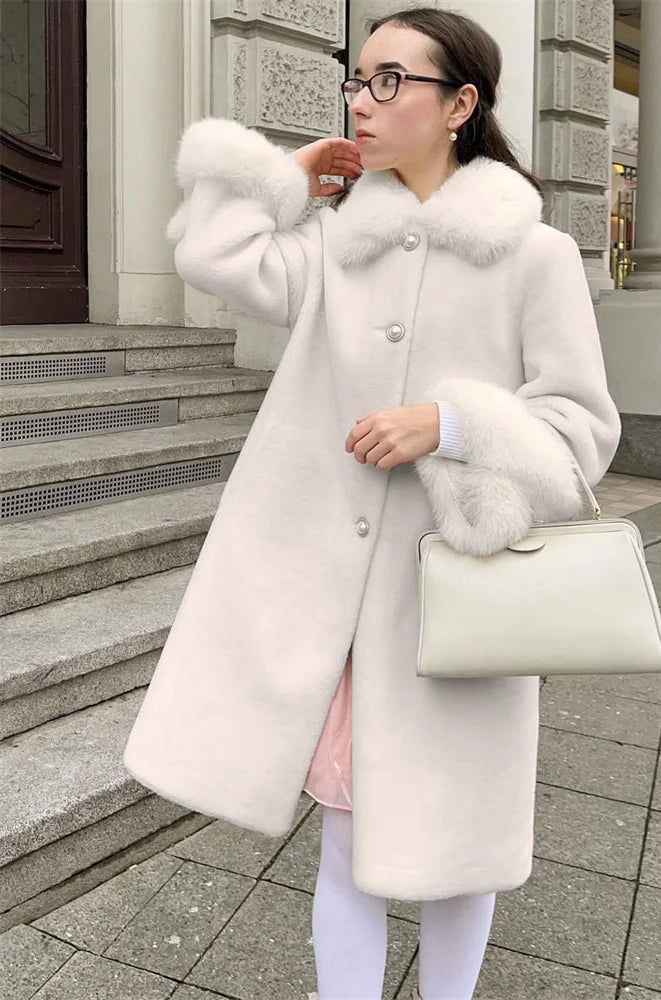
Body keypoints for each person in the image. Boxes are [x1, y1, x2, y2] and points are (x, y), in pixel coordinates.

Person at [123, 7, 622, 1000]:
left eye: (391, 80)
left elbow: (583, 432)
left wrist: (453, 424)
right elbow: (213, 259)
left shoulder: (534, 256)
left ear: (460, 105)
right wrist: (284, 180)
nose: (362, 98)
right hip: (334, 606)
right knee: (347, 836)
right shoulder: (336, 244)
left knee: (460, 848)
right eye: (359, 78)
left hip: (453, 605)